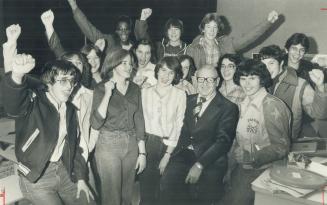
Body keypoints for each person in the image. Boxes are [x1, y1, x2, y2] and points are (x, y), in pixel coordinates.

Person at [1, 55, 94, 205]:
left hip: (64, 172)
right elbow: (13, 105)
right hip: (36, 178)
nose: (69, 86)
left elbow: (74, 147)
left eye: (72, 81)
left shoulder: (70, 109)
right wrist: (17, 74)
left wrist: (81, 178)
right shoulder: (33, 102)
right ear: (49, 83)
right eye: (63, 80)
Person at [160, 65, 239, 205]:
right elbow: (176, 128)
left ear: (217, 81)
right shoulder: (187, 100)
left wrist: (200, 165)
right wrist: (168, 154)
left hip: (210, 160)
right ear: (196, 80)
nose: (204, 84)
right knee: (167, 186)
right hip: (183, 154)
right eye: (201, 79)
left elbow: (223, 142)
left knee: (202, 196)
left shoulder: (228, 107)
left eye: (210, 80)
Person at [220, 59, 291, 205]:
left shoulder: (271, 106)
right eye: (243, 78)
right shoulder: (243, 103)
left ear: (262, 79)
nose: (247, 84)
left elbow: (282, 148)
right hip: (243, 169)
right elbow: (237, 141)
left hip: (265, 171)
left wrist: (251, 155)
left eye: (252, 78)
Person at [90, 48, 146, 205]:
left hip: (131, 144)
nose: (129, 67)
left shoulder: (135, 89)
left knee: (127, 194)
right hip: (108, 144)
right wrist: (108, 94)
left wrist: (142, 152)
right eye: (124, 63)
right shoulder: (100, 88)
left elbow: (139, 119)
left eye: (131, 63)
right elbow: (95, 122)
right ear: (113, 65)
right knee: (111, 196)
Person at [140, 56, 186, 205]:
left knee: (165, 192)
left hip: (170, 146)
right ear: (157, 70)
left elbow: (179, 125)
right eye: (163, 70)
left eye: (171, 73)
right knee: (146, 191)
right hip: (147, 144)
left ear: (176, 76)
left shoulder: (180, 95)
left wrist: (167, 155)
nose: (166, 76)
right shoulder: (145, 92)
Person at [260, 45, 327, 141]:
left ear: (281, 63)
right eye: (263, 64)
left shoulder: (299, 84)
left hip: (287, 144)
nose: (266, 68)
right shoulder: (258, 83)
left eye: (271, 63)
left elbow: (319, 113)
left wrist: (320, 87)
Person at [186, 11, 279, 70]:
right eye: (208, 27)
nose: (212, 30)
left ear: (218, 30)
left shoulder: (227, 44)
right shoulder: (193, 48)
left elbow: (247, 38)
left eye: (215, 27)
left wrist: (268, 22)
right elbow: (188, 71)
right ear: (203, 29)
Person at [41, 9, 103, 88]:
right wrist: (48, 25)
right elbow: (57, 47)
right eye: (89, 58)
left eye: (78, 63)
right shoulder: (64, 86)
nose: (75, 66)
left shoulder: (102, 79)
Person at [67, 0, 134, 53]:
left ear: (130, 30)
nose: (123, 32)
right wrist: (74, 6)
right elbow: (90, 31)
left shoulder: (135, 48)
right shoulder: (110, 42)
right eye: (120, 29)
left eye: (126, 29)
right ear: (116, 31)